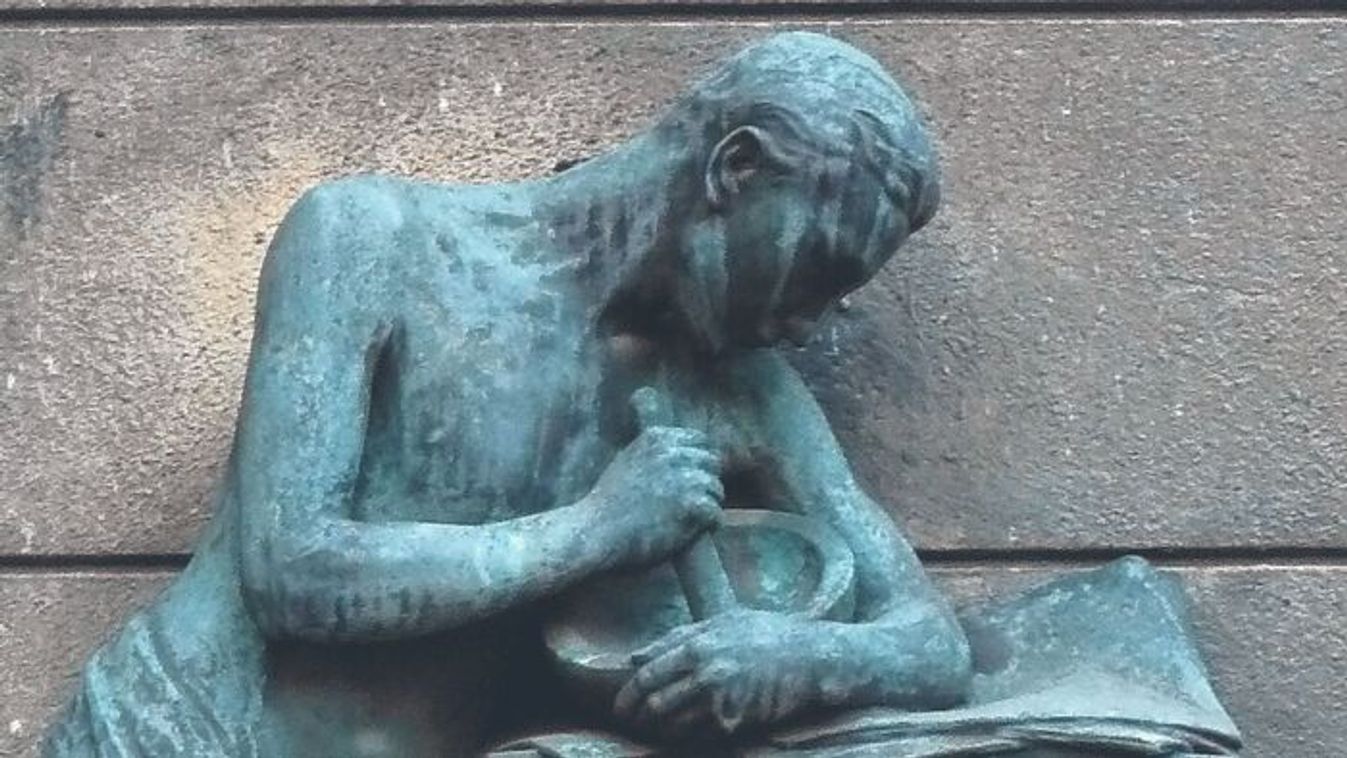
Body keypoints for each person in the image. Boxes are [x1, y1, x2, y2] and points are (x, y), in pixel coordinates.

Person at [46, 32, 970, 757]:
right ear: (735, 168)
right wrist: (594, 530)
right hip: (176, 735)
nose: (811, 322)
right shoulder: (371, 241)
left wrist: (800, 657)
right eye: (820, 267)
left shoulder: (742, 392)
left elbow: (932, 643)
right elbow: (292, 573)